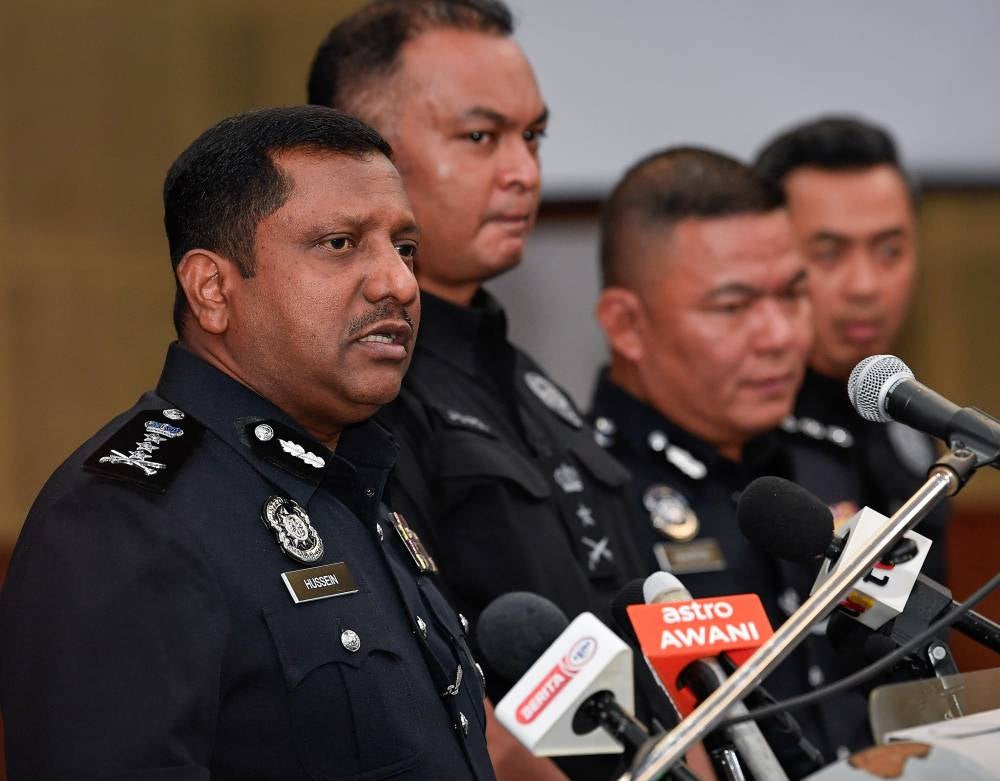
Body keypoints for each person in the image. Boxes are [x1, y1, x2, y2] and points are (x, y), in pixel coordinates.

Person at [0, 106, 495, 781]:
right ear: (212, 289)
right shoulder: (122, 521)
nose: (399, 283)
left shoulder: (354, 481)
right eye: (340, 243)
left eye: (404, 247)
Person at [307, 3, 669, 779]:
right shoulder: (363, 395)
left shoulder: (530, 380)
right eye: (480, 137)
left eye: (532, 136)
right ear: (360, 155)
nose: (526, 172)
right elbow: (443, 699)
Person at [590, 146, 868, 774]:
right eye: (733, 306)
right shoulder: (585, 491)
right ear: (627, 326)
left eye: (793, 295)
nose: (780, 336)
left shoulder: (825, 461)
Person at [755, 117, 949, 583]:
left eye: (889, 251)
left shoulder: (900, 399)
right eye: (828, 254)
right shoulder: (742, 426)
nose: (864, 287)